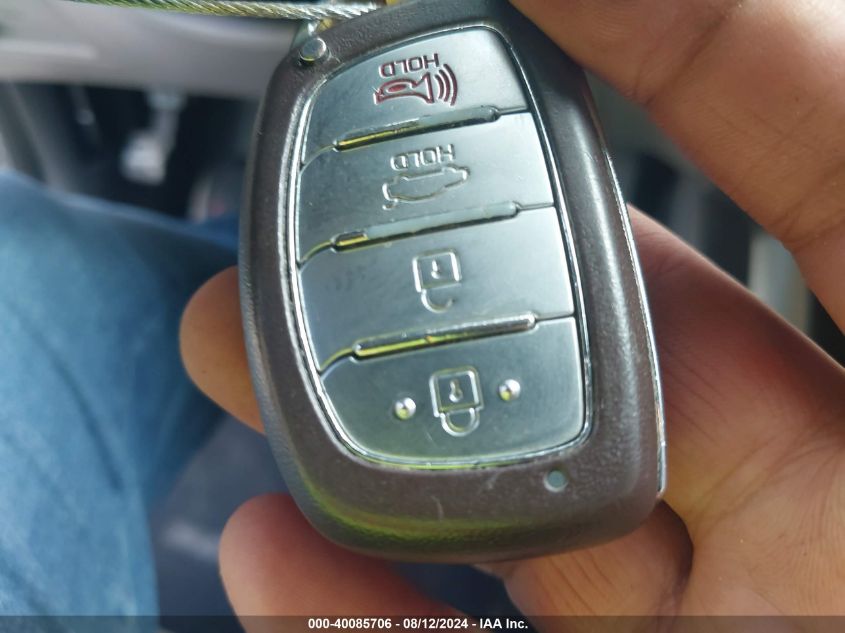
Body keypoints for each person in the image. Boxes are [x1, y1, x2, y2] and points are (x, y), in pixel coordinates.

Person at [2, 0, 843, 622]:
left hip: (347, 218)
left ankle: (227, 235)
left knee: (168, 274)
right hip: (419, 204)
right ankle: (231, 238)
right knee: (225, 285)